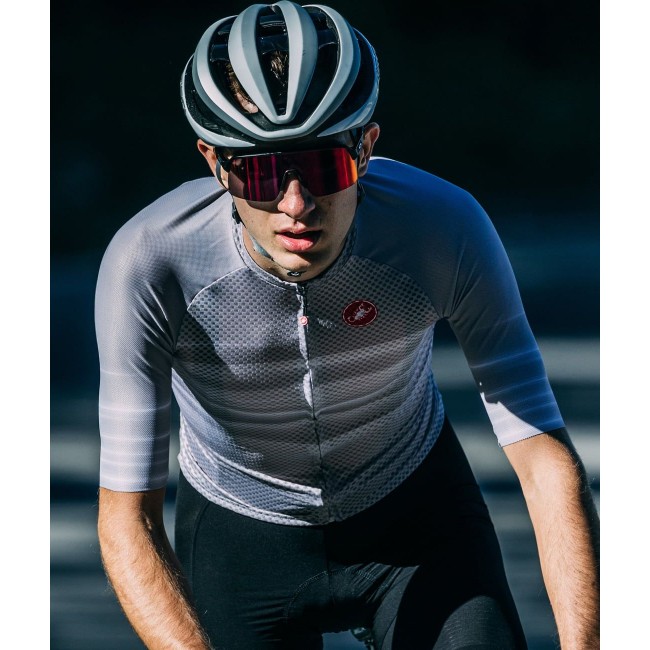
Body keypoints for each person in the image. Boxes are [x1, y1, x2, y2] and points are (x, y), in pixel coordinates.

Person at [95, 2, 600, 649]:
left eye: (323, 166)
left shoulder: (440, 227)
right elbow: (127, 518)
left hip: (417, 519)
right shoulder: (151, 260)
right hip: (240, 536)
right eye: (260, 171)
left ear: (366, 148)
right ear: (215, 163)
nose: (296, 204)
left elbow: (543, 458)